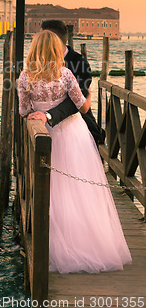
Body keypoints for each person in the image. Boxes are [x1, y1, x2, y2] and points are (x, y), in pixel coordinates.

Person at [17, 30, 131, 274]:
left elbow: (23, 110)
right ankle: (88, 242)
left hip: (44, 136)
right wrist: (88, 94)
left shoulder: (25, 78)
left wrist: (41, 112)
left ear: (34, 49)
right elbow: (82, 106)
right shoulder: (65, 74)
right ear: (57, 50)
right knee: (80, 191)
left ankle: (52, 244)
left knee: (53, 191)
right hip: (74, 136)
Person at [35, 20, 104, 145]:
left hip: (78, 130)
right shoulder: (39, 62)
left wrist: (49, 116)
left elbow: (77, 102)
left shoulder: (79, 63)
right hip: (42, 127)